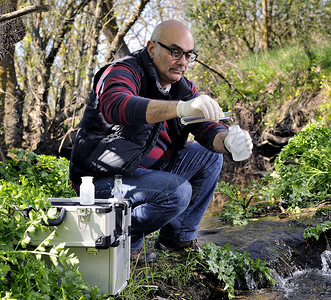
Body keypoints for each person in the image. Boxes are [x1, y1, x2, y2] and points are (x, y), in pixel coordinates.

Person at [69, 20, 253, 259]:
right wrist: (181, 108)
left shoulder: (181, 87)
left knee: (209, 155)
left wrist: (227, 141)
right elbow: (118, 105)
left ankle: (177, 240)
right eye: (175, 52)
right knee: (177, 192)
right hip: (103, 180)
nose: (183, 62)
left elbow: (206, 127)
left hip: (151, 174)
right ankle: (125, 237)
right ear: (151, 48)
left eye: (189, 55)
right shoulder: (122, 71)